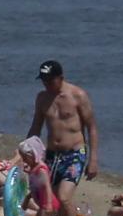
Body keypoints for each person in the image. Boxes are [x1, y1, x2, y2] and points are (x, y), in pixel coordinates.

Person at [26, 59, 98, 192]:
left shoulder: (78, 96)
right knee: (49, 199)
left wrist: (93, 160)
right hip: (52, 155)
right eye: (44, 81)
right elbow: (36, 127)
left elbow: (92, 128)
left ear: (61, 78)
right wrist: (26, 152)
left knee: (64, 197)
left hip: (75, 153)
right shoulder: (42, 98)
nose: (46, 84)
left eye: (50, 81)